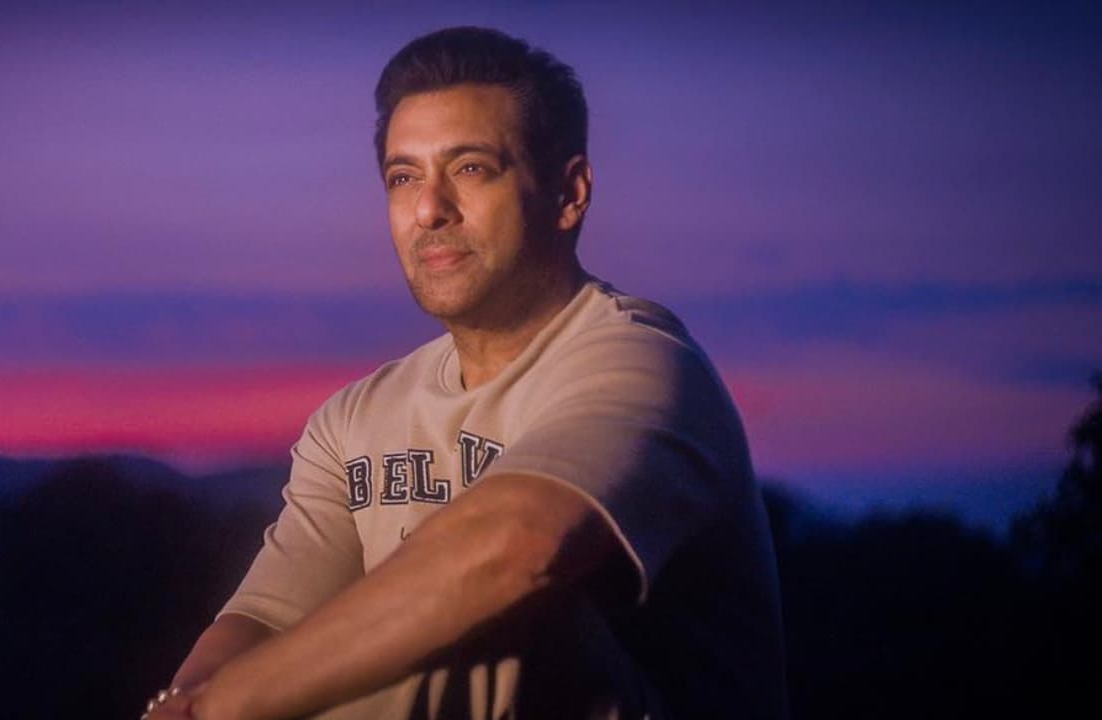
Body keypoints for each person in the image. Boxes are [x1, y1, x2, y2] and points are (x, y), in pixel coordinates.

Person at [143, 26, 788, 720]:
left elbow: (519, 546)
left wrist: (225, 707)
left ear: (568, 193)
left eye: (472, 168)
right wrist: (180, 706)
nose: (429, 209)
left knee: (485, 624)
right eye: (404, 177)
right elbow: (265, 619)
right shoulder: (354, 418)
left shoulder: (643, 362)